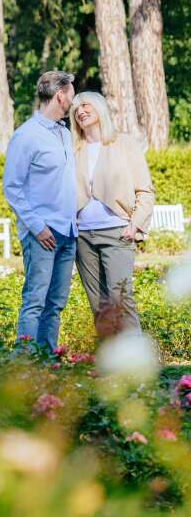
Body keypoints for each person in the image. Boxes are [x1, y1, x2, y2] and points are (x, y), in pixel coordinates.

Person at [69, 90, 154, 336]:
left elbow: (145, 191)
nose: (80, 111)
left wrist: (135, 225)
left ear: (99, 108)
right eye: (76, 109)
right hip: (83, 237)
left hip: (118, 232)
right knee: (99, 307)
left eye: (85, 105)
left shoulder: (124, 143)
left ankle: (136, 368)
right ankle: (110, 367)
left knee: (121, 302)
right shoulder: (74, 149)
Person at [2, 70, 77, 347]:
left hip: (69, 232)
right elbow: (12, 187)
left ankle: (48, 366)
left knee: (55, 305)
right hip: (42, 234)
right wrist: (37, 226)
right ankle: (26, 368)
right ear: (60, 95)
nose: (73, 100)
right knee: (35, 301)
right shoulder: (26, 136)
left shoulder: (65, 134)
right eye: (71, 93)